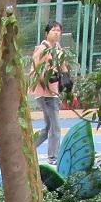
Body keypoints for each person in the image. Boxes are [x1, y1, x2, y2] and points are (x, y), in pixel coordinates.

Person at [30, 22, 68, 164]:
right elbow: (37, 70)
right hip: (45, 93)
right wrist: (47, 83)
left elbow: (63, 66)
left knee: (48, 127)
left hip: (53, 92)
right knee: (56, 127)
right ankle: (53, 157)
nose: (57, 33)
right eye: (53, 30)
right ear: (47, 33)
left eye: (59, 30)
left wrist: (66, 77)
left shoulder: (58, 49)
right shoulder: (42, 49)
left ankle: (30, 149)